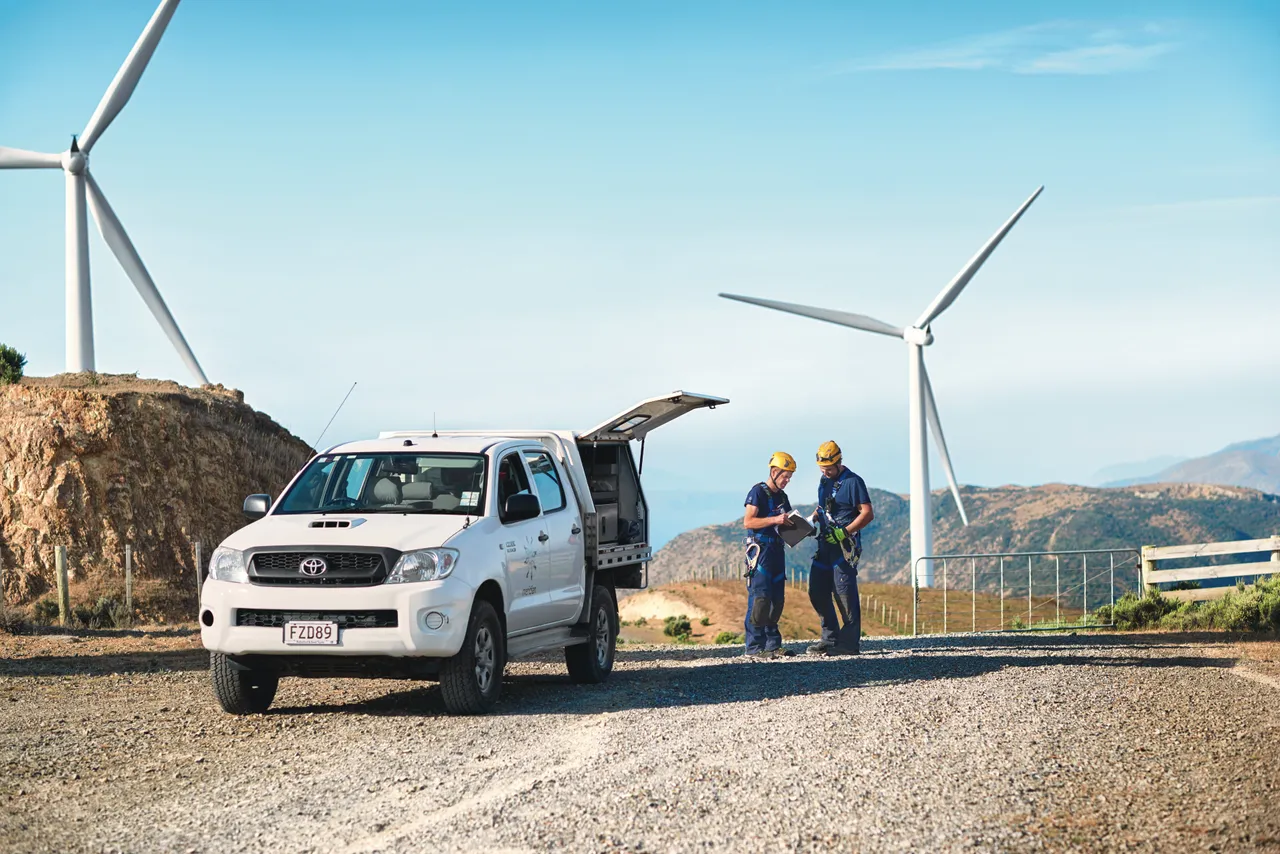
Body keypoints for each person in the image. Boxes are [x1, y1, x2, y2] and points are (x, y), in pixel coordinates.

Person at [807, 440, 874, 655]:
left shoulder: (854, 482)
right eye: (821, 468)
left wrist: (845, 531)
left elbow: (867, 513)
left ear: (838, 462)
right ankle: (830, 638)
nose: (824, 472)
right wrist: (812, 519)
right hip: (824, 544)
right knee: (817, 591)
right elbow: (822, 506)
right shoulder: (824, 481)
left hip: (843, 546)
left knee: (844, 594)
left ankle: (849, 643)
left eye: (828, 468)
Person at [741, 452, 797, 658]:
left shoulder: (782, 497)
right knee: (760, 599)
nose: (787, 481)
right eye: (785, 476)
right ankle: (754, 647)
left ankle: (773, 645)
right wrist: (775, 520)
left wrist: (807, 524)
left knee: (777, 600)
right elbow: (749, 522)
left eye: (790, 478)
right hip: (760, 551)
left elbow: (787, 522)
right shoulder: (758, 492)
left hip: (777, 550)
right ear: (774, 472)